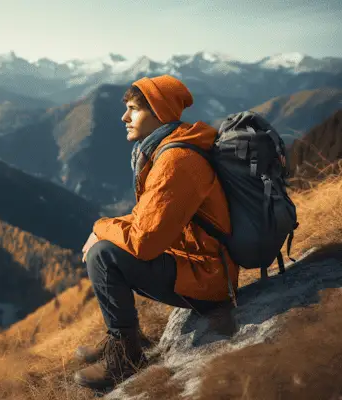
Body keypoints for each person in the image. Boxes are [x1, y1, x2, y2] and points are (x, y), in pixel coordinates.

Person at [73, 75, 238, 391]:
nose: (124, 118)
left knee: (102, 255)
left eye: (133, 109)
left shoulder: (176, 161)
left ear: (159, 112)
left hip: (209, 279)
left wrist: (99, 229)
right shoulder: (171, 148)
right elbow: (147, 217)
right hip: (202, 263)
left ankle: (126, 355)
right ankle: (123, 337)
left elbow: (143, 243)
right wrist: (107, 229)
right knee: (107, 244)